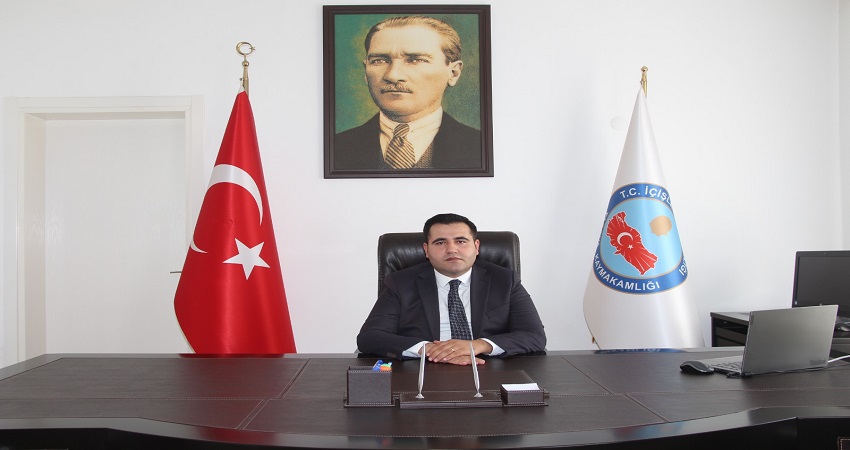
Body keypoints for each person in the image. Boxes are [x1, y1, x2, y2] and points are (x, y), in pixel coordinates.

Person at [357, 213, 546, 364]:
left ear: (476, 247)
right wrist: (430, 349)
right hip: (424, 369)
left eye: (461, 241)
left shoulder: (505, 280)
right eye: (440, 242)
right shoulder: (401, 283)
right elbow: (370, 337)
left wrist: (478, 345)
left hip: (488, 366)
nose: (452, 249)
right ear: (426, 250)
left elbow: (534, 335)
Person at [334, 16, 482, 170]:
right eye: (380, 61)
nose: (393, 75)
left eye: (416, 60)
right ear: (365, 70)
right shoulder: (334, 148)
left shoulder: (481, 147)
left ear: (453, 73)